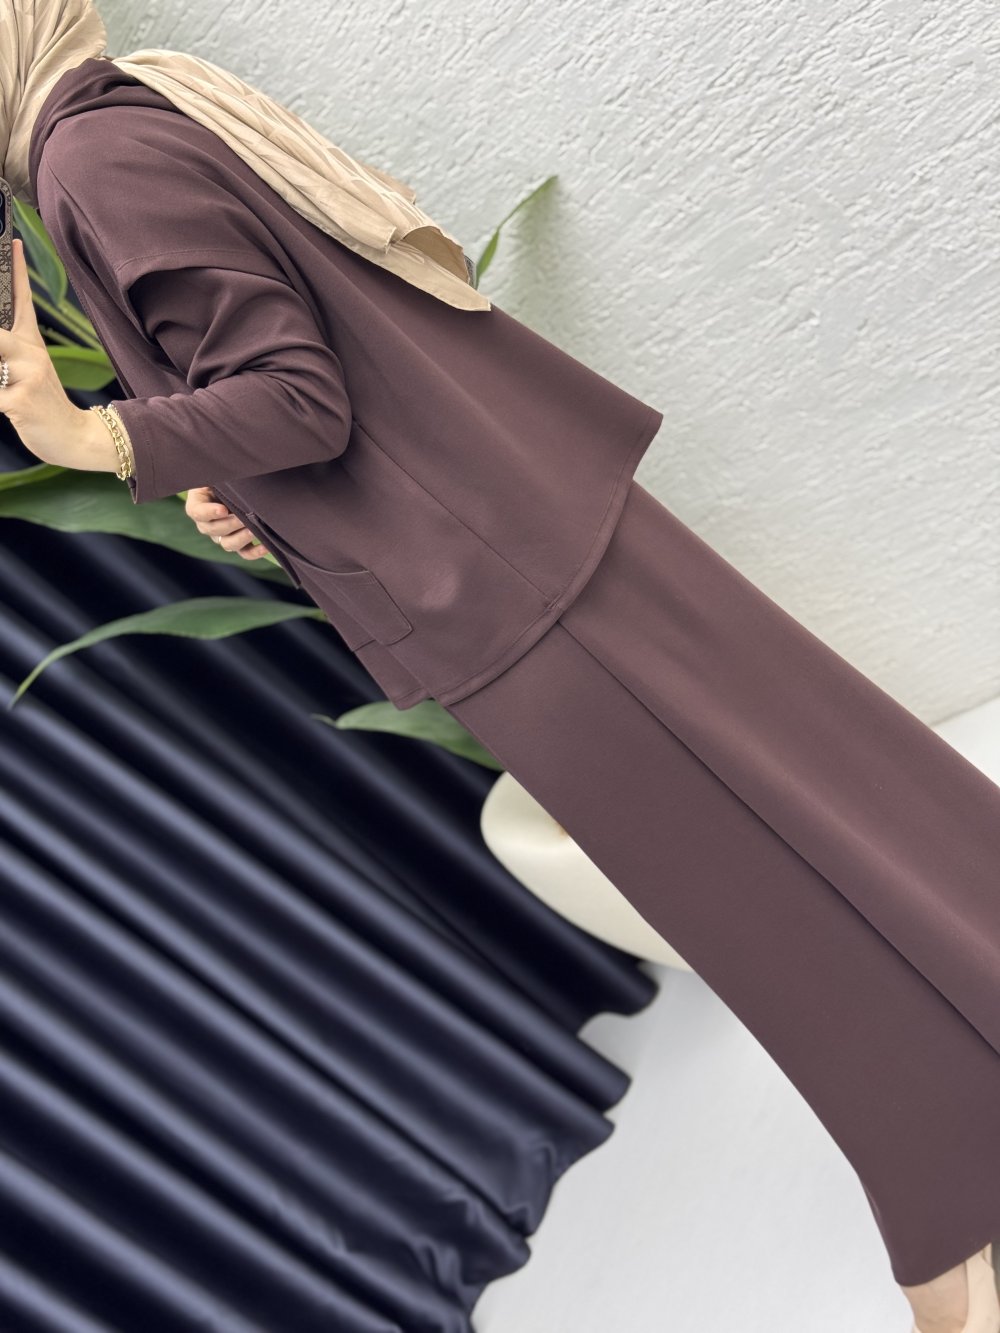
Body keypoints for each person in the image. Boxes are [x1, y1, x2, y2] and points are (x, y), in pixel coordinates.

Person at [2, 3, 1000, 1330]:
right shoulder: (138, 106)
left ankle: (950, 1235)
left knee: (759, 913)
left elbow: (300, 396)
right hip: (528, 520)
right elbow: (308, 374)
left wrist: (95, 442)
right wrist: (222, 474)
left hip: (499, 590)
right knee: (852, 786)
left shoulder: (89, 160)